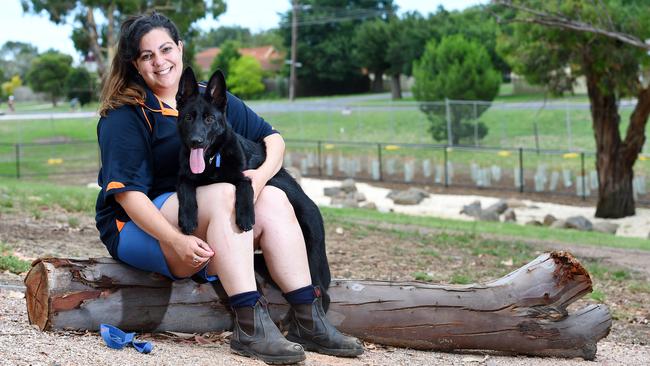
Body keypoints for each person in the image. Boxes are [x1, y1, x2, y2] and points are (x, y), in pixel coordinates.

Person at [95, 12, 363, 365]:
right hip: (140, 225)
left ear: (180, 48)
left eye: (165, 49)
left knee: (274, 197)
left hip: (206, 216)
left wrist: (261, 177)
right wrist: (176, 240)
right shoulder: (125, 114)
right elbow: (129, 197)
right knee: (226, 194)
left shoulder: (210, 98)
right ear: (135, 63)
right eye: (147, 55)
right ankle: (250, 326)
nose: (159, 62)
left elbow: (273, 139)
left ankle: (309, 319)